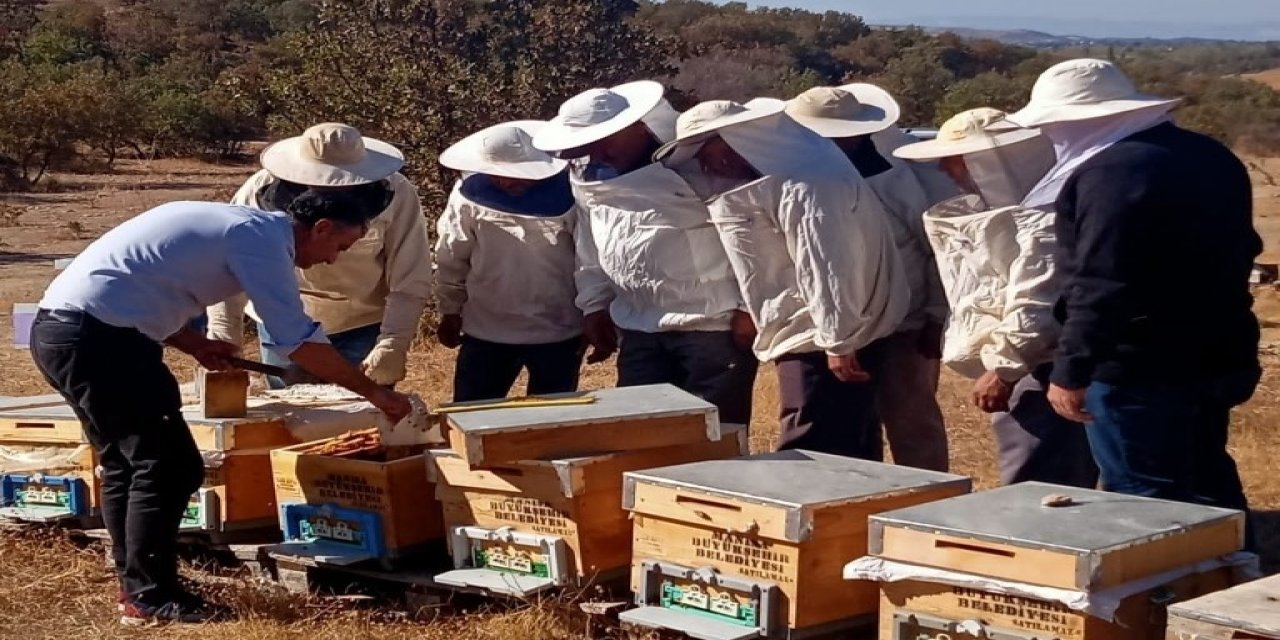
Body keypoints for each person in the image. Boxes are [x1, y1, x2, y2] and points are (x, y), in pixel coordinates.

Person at [31, 195, 414, 625]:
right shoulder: (261, 240)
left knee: (129, 464)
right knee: (168, 467)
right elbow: (297, 340)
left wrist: (196, 343)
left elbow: (136, 283)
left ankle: (138, 587)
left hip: (65, 332)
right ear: (322, 227)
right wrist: (375, 394)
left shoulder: (239, 225)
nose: (331, 259)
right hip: (102, 342)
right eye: (340, 247)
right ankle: (148, 595)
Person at [1008, 59, 1261, 522]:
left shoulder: (1111, 174)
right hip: (1217, 351)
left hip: (1137, 364)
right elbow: (1244, 249)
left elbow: (1102, 281)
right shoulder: (1210, 155)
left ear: (1079, 118)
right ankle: (1229, 576)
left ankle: (1165, 592)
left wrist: (1071, 369)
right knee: (1208, 477)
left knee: (1144, 500)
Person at [656, 99, 909, 459]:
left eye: (709, 151)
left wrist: (837, 341)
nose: (708, 164)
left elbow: (827, 265)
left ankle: (811, 512)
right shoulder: (792, 178)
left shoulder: (805, 185)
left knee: (810, 441)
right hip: (823, 329)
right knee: (850, 436)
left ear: (739, 141)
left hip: (822, 338)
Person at [532, 81, 758, 429]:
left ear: (637, 126)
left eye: (605, 140)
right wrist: (594, 305)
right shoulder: (589, 177)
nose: (599, 152)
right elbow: (592, 244)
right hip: (637, 324)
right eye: (589, 144)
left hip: (712, 324)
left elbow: (749, 236)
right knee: (641, 432)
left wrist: (749, 308)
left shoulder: (699, 166)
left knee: (715, 432)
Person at [894, 108, 1099, 488]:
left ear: (986, 161)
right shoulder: (1033, 207)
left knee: (1038, 482)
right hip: (1041, 365)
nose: (944, 170)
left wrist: (1004, 369)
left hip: (1042, 368)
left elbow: (1038, 302)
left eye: (953, 161)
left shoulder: (1043, 217)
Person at [783, 83, 958, 472]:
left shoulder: (900, 177)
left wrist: (935, 314)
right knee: (848, 424)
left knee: (911, 419)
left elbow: (938, 249)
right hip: (835, 323)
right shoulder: (800, 177)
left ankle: (927, 507)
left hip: (905, 322)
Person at [207, 123, 433, 388]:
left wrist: (394, 342)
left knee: (362, 420)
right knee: (290, 419)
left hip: (361, 323)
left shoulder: (398, 193)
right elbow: (232, 267)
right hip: (283, 323)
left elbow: (411, 272)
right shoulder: (259, 189)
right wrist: (224, 337)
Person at [435, 121, 583, 401]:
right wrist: (450, 310)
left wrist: (594, 311)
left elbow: (589, 259)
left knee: (553, 425)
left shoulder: (571, 192)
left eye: (514, 174)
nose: (506, 181)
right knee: (472, 416)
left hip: (558, 329)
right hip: (485, 330)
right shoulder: (468, 193)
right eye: (497, 175)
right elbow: (451, 254)